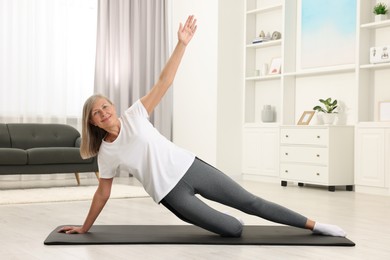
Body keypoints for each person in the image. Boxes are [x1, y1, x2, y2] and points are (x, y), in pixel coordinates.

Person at [59, 15, 346, 238]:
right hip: (170, 194)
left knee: (252, 202)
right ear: (93, 122)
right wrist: (84, 228)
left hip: (190, 167)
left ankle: (316, 225)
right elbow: (102, 194)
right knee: (233, 229)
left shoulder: (135, 114)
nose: (103, 113)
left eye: (105, 106)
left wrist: (182, 43)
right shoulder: (106, 154)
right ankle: (230, 221)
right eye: (96, 113)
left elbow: (164, 82)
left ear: (113, 105)